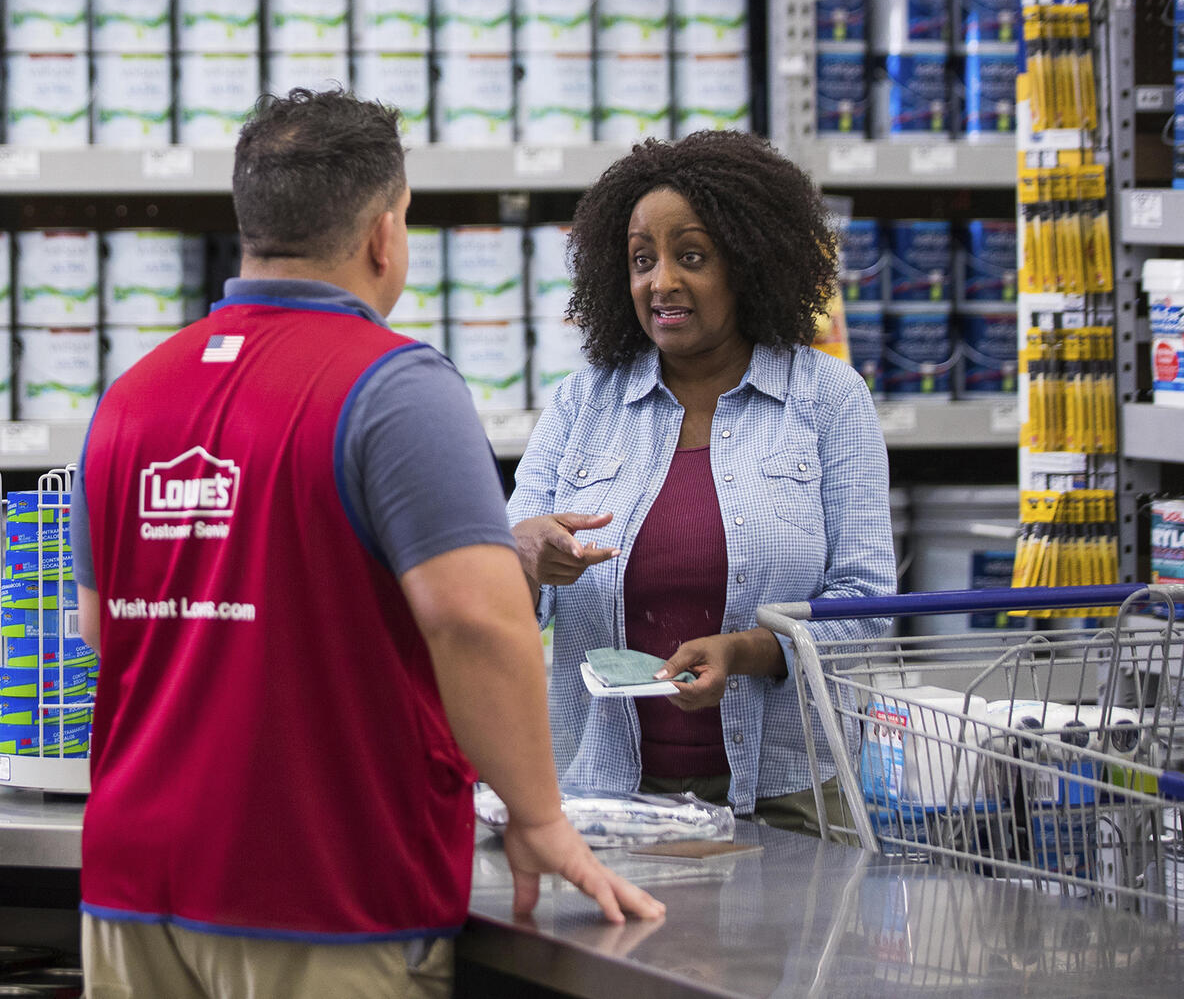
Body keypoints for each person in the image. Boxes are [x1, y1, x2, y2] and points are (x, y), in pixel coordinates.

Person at [73, 89, 661, 999]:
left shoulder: (132, 397)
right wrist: (540, 816)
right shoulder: (395, 388)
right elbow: (477, 620)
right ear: (385, 233)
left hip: (133, 891)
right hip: (324, 893)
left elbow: (102, 629)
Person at [508, 133, 896, 833]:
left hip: (786, 794)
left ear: (749, 263)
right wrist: (526, 558)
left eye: (691, 257)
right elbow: (506, 593)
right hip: (606, 793)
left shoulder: (828, 399)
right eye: (642, 260)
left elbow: (867, 607)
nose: (661, 282)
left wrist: (748, 652)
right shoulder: (579, 405)